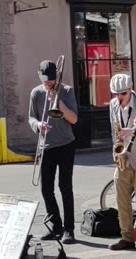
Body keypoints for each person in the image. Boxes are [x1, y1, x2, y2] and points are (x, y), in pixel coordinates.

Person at [28, 60, 78, 244]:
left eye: (50, 80)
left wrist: (58, 102)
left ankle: (69, 229)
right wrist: (38, 125)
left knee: (65, 187)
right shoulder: (36, 92)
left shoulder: (66, 90)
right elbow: (31, 117)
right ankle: (56, 225)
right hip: (46, 146)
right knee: (46, 189)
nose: (47, 84)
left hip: (65, 145)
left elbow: (73, 119)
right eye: (45, 80)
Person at [107, 74, 136, 254]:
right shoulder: (113, 105)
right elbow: (114, 129)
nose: (119, 98)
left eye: (123, 94)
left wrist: (132, 131)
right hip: (123, 158)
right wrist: (115, 148)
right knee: (121, 200)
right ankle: (126, 237)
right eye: (115, 94)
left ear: (131, 88)